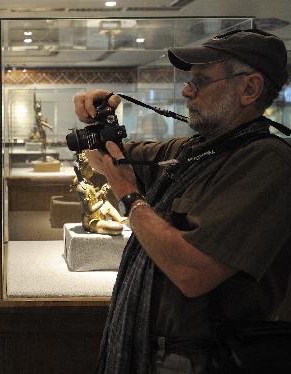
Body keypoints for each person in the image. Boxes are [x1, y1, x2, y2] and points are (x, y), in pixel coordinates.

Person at [74, 29, 291, 373]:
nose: (187, 90)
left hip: (202, 360)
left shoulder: (268, 163)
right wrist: (99, 118)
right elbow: (106, 157)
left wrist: (130, 197)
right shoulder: (193, 151)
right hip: (153, 347)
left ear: (249, 88)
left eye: (201, 81)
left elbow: (192, 273)